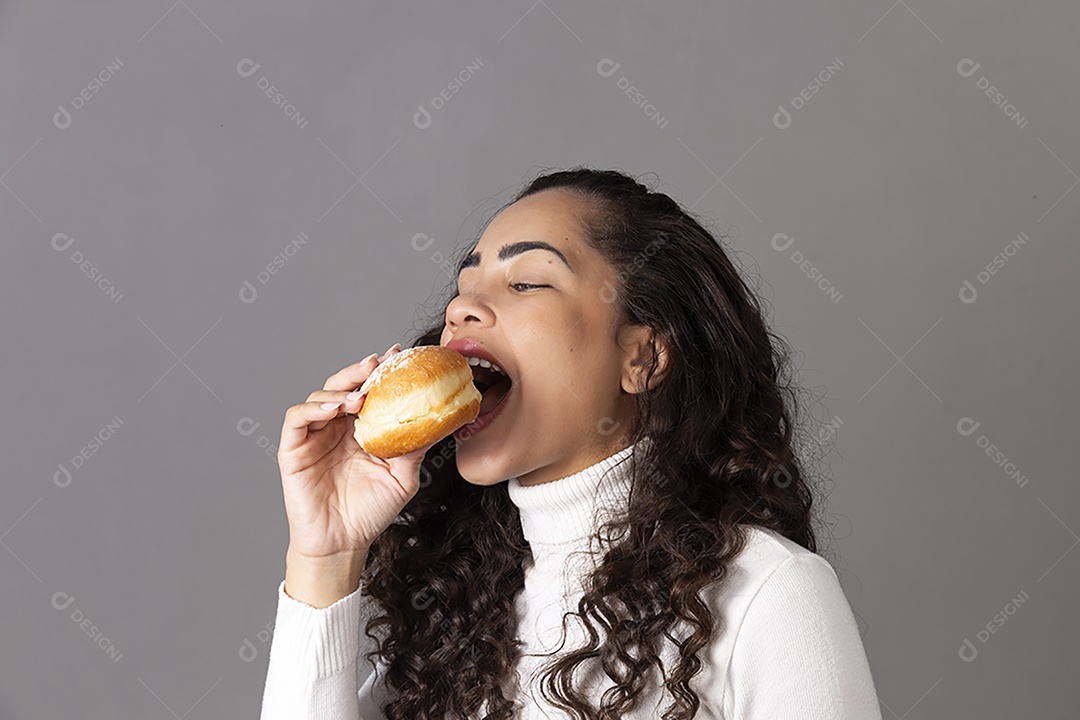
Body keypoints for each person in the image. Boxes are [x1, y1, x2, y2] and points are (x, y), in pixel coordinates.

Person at [260, 168, 884, 719]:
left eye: (528, 282)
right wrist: (325, 555)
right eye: (464, 284)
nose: (462, 309)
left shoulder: (767, 596)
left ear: (642, 355)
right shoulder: (453, 624)